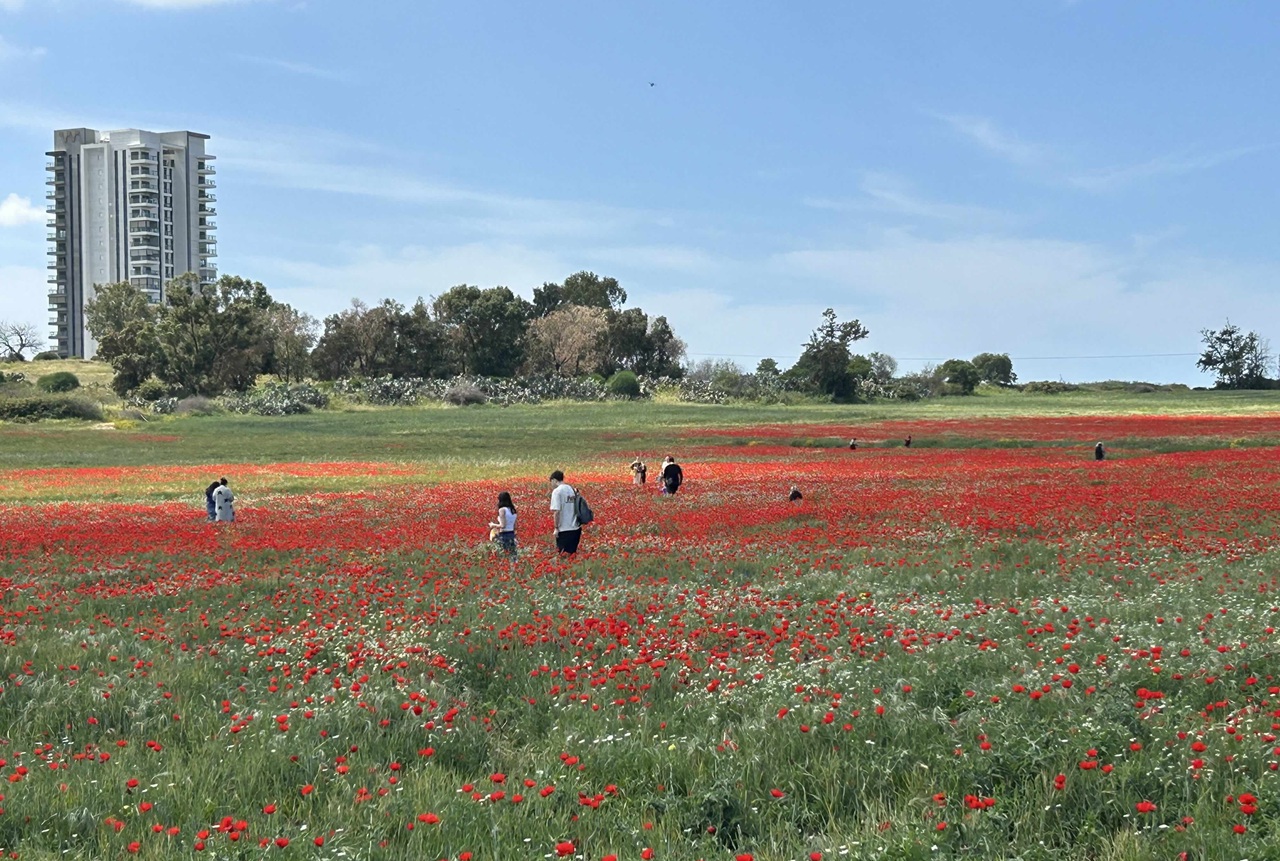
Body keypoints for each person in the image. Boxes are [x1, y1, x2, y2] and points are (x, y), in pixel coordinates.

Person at [548, 470, 581, 555]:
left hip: (564, 529)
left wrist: (556, 528)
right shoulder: (571, 489)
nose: (551, 484)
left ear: (554, 480)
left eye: (551, 482)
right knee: (572, 556)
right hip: (576, 528)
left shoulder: (557, 491)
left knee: (563, 557)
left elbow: (557, 512)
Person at [490, 491, 518, 557]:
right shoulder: (513, 510)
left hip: (504, 535)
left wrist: (493, 525)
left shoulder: (502, 510)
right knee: (513, 555)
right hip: (512, 534)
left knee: (503, 555)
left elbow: (503, 525)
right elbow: (513, 525)